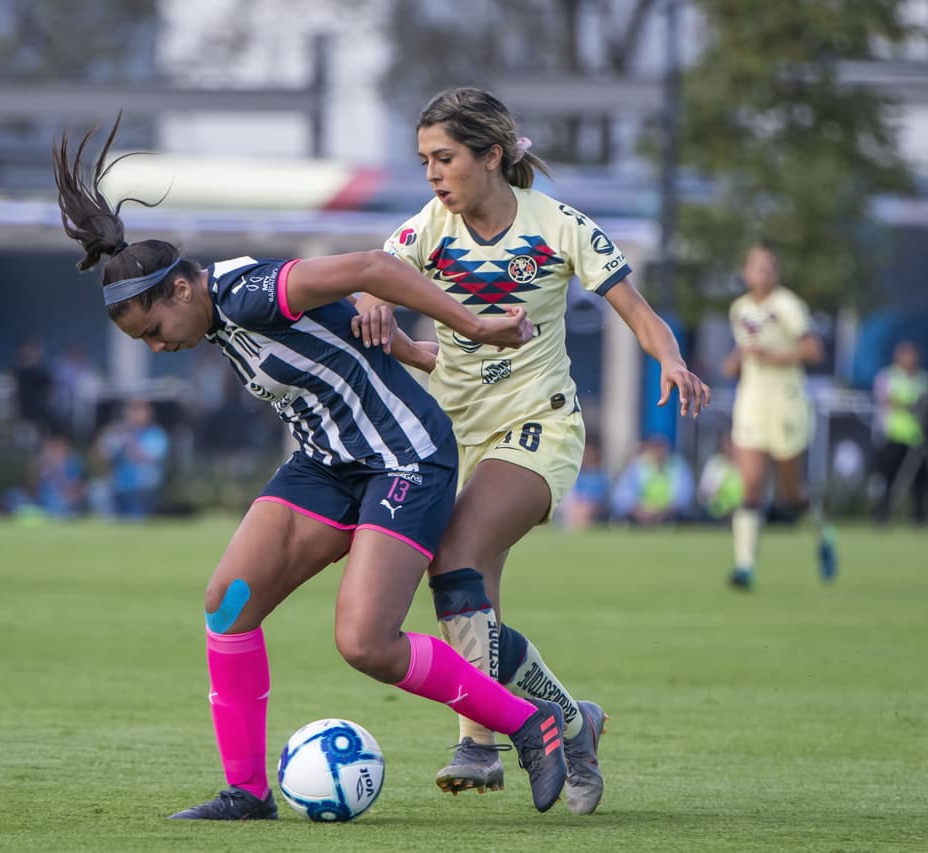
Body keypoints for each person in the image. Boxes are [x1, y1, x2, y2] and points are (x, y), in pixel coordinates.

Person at [53, 116, 570, 821]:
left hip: (404, 460)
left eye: (151, 331)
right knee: (228, 604)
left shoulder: (245, 294)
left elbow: (370, 269)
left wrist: (473, 327)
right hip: (327, 465)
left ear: (180, 291)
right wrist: (404, 349)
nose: (155, 348)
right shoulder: (213, 317)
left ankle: (526, 721)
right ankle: (247, 791)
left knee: (365, 642)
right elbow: (338, 325)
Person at [354, 87, 709, 812]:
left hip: (537, 426)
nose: (432, 175)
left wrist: (668, 359)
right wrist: (376, 311)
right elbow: (373, 283)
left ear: (491, 156)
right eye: (424, 160)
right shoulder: (428, 227)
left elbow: (639, 313)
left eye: (444, 158)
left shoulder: (557, 225)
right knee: (468, 589)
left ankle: (483, 742)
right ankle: (570, 722)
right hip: (450, 432)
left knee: (455, 556)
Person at [720, 242, 827, 590]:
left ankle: (822, 535)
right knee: (750, 485)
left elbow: (813, 350)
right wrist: (736, 360)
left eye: (767, 267)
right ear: (746, 271)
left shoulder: (788, 306)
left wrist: (773, 356)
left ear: (776, 273)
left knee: (791, 493)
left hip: (786, 402)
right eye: (755, 266)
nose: (761, 273)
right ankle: (744, 567)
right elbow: (747, 344)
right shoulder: (739, 309)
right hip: (751, 401)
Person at [871, 340, 928, 525]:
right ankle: (882, 515)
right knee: (887, 477)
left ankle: (919, 517)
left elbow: (927, 404)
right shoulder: (888, 376)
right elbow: (886, 399)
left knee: (919, 480)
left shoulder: (922, 378)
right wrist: (909, 404)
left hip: (915, 436)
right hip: (893, 434)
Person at [92, 399, 169, 519]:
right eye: (132, 410)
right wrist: (105, 439)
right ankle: (112, 523)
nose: (135, 414)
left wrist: (130, 439)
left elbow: (149, 459)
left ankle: (138, 516)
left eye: (139, 410)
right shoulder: (117, 432)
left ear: (149, 413)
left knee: (147, 480)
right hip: (120, 482)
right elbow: (100, 459)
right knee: (98, 489)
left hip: (143, 482)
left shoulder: (156, 434)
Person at [610, 436, 694, 526]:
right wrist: (640, 511)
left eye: (661, 448)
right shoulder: (638, 466)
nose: (659, 453)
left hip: (670, 515)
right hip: (639, 515)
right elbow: (621, 496)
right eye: (655, 449)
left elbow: (684, 497)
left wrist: (663, 511)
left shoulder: (678, 466)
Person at [556, 440, 609, 530]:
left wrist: (588, 505)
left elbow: (601, 496)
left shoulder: (600, 476)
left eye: (590, 454)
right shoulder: (577, 473)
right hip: (576, 504)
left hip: (592, 506)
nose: (588, 457)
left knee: (584, 509)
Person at [697, 433, 744, 522]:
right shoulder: (714, 463)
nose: (730, 448)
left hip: (740, 511)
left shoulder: (744, 464)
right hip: (716, 512)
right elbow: (703, 493)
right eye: (727, 444)